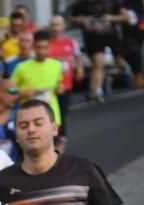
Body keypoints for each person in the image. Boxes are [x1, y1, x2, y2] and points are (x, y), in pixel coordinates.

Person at [69, 0, 127, 102]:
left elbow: (125, 17)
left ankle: (126, 70)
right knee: (98, 64)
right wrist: (81, 20)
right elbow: (71, 18)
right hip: (93, 38)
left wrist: (111, 18)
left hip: (111, 37)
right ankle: (96, 91)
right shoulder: (81, 4)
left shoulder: (113, 2)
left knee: (119, 61)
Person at [11, 30, 65, 126]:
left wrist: (60, 88)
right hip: (28, 117)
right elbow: (10, 90)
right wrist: (24, 92)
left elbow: (58, 84)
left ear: (50, 47)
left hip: (51, 115)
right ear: (33, 47)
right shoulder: (21, 67)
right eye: (38, 47)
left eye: (45, 47)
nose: (41, 51)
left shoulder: (56, 65)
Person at [49, 16, 85, 153]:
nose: (55, 27)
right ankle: (52, 140)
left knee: (62, 114)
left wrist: (79, 68)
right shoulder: (46, 43)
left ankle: (60, 141)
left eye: (58, 24)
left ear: (63, 27)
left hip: (66, 84)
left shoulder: (71, 42)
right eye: (52, 24)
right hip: (50, 86)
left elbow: (78, 56)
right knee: (50, 114)